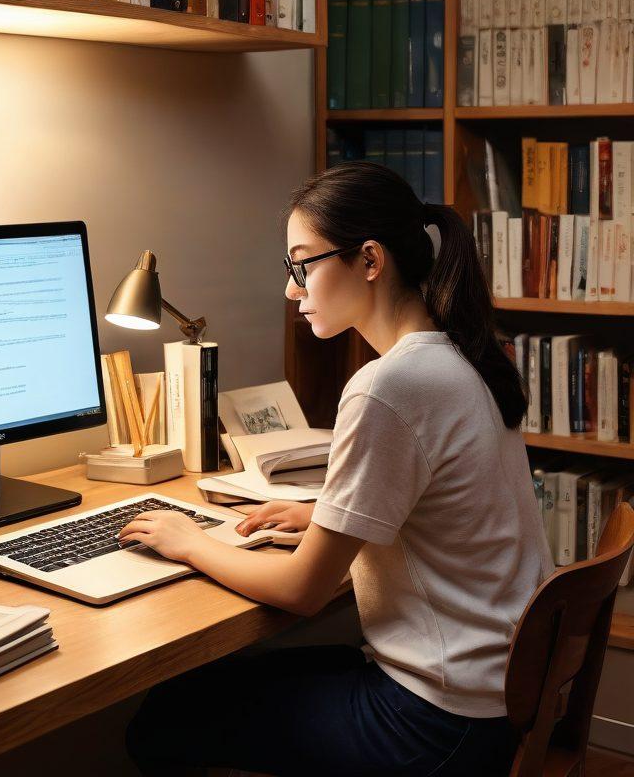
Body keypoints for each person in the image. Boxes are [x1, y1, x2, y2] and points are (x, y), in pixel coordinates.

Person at [121, 161, 553, 777]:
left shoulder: (389, 386)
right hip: (493, 699)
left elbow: (303, 591)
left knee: (161, 720)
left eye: (302, 265)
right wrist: (321, 517)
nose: (291, 290)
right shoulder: (461, 356)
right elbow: (437, 508)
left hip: (435, 724)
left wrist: (190, 542)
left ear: (370, 260)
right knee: (212, 691)